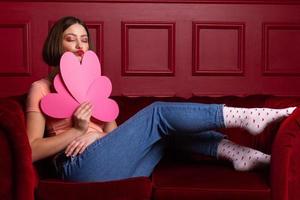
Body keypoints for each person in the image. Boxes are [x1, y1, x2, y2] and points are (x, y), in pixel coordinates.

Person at [26, 16, 296, 182]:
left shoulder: (95, 84)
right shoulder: (41, 88)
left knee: (166, 133)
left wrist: (97, 136)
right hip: (77, 168)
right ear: (56, 46)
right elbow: (32, 150)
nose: (79, 45)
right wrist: (77, 130)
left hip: (114, 167)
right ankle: (246, 116)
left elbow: (117, 139)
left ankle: (239, 154)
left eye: (84, 39)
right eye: (70, 39)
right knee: (157, 114)